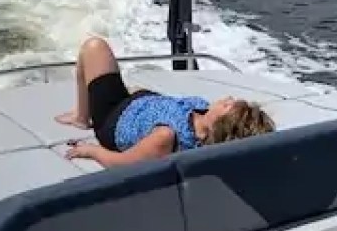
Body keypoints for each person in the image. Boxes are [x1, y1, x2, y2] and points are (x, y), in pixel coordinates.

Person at [55, 36, 275, 167]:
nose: (227, 98)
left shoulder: (165, 137)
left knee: (94, 47)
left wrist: (90, 151)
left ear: (221, 123)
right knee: (126, 81)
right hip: (137, 104)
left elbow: (122, 165)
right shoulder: (203, 117)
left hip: (113, 116)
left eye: (229, 105)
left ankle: (81, 117)